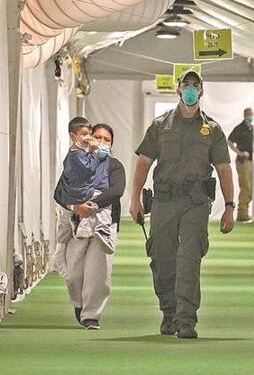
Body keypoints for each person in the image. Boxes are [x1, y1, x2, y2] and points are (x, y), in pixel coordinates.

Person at [129, 71, 236, 339]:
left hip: (195, 202)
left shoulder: (212, 130)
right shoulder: (160, 126)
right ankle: (169, 313)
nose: (189, 89)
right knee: (162, 258)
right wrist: (134, 198)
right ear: (178, 89)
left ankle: (186, 319)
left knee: (189, 259)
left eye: (194, 85)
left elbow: (223, 169)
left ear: (201, 91)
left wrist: (231, 206)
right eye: (185, 85)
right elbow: (143, 162)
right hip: (164, 201)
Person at [53, 121, 125, 330]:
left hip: (104, 224)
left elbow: (117, 191)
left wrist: (91, 206)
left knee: (98, 272)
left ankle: (92, 314)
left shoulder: (114, 165)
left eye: (107, 140)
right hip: (77, 223)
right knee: (74, 273)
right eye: (99, 137)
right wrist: (75, 206)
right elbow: (59, 193)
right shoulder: (78, 163)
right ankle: (79, 302)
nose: (102, 142)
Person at [54, 117, 114, 253]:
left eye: (107, 140)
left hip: (76, 195)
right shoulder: (77, 156)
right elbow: (90, 168)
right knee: (100, 203)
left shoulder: (81, 153)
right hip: (80, 194)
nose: (88, 138)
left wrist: (100, 151)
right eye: (85, 134)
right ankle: (99, 230)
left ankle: (85, 228)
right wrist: (95, 151)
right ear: (73, 136)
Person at [227, 107, 254, 222]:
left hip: (252, 161)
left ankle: (245, 210)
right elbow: (229, 141)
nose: (250, 117)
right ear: (244, 115)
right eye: (248, 114)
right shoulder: (240, 128)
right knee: (245, 186)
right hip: (243, 161)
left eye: (251, 114)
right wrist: (239, 152)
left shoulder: (252, 129)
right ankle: (241, 212)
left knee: (251, 187)